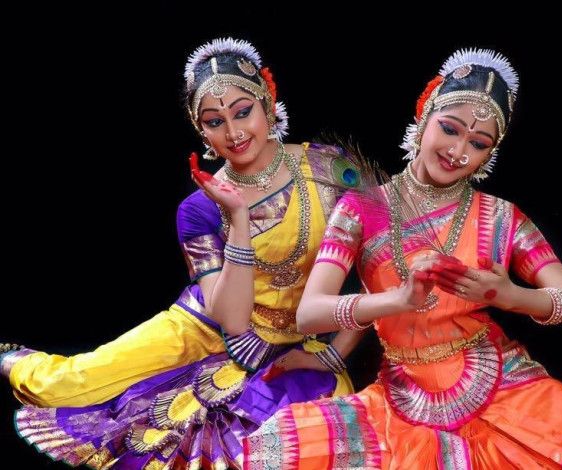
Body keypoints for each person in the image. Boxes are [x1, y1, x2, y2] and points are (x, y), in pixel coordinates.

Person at [242, 48, 562, 469]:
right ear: (425, 116)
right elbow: (310, 313)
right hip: (404, 399)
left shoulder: (500, 218)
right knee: (276, 450)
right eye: (451, 129)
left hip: (506, 387)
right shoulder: (362, 208)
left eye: (479, 143)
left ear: (490, 152)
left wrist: (508, 294)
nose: (458, 151)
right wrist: (398, 300)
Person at [0, 37, 363, 468]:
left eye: (243, 111)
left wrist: (337, 352)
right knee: (71, 385)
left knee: (323, 424)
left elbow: (381, 267)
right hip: (204, 323)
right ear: (201, 130)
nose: (234, 132)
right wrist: (240, 220)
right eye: (214, 121)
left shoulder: (330, 170)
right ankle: (13, 360)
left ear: (268, 101)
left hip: (300, 335)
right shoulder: (200, 208)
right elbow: (229, 316)